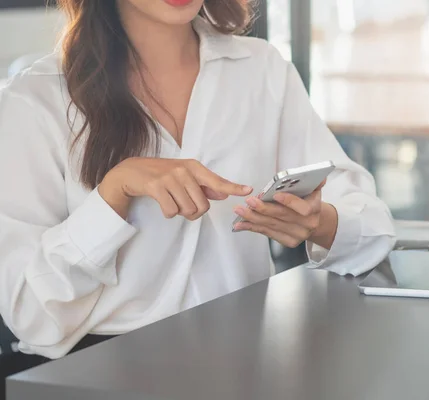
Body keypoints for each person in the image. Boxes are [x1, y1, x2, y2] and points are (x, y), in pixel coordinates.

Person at [0, 0, 395, 393]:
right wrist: (112, 195)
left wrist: (319, 222)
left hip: (245, 369)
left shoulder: (261, 71)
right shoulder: (35, 98)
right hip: (97, 378)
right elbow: (30, 312)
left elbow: (374, 232)